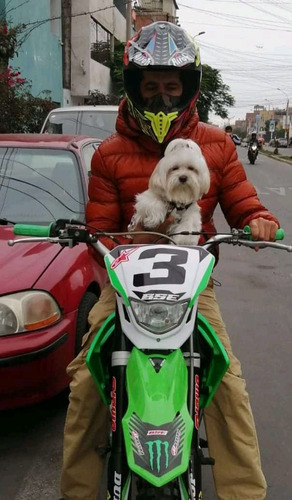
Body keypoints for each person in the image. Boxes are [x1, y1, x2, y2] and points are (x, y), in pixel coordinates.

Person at [60, 22, 279, 500]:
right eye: (151, 86)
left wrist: (260, 220)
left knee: (228, 390)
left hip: (193, 286)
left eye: (171, 86)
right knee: (84, 388)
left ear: (188, 88)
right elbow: (98, 229)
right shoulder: (110, 153)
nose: (161, 97)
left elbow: (245, 204)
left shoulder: (218, 144)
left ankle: (246, 495)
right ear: (136, 87)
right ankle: (75, 492)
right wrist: (117, 239)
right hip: (125, 286)